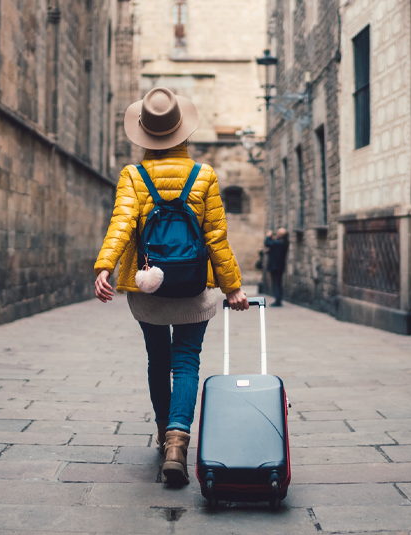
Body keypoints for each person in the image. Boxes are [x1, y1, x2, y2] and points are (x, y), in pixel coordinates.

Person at [93, 87, 249, 487]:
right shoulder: (205, 176)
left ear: (144, 134)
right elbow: (215, 236)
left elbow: (122, 224)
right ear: (184, 133)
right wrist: (232, 287)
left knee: (157, 360)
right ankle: (180, 440)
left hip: (149, 288)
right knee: (187, 360)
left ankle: (164, 434)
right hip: (194, 288)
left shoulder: (133, 176)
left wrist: (105, 266)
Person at [265, 228, 289, 306]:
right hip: (280, 266)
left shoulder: (278, 243)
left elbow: (267, 243)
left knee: (276, 283)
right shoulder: (284, 242)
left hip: (275, 266)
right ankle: (278, 299)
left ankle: (277, 300)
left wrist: (268, 236)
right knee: (278, 283)